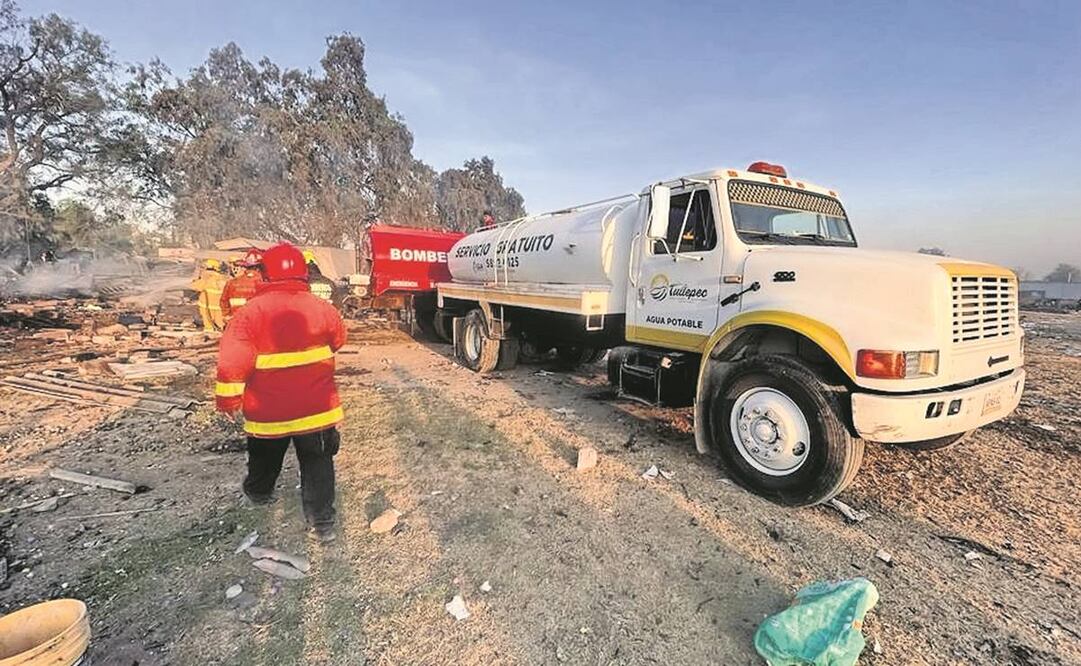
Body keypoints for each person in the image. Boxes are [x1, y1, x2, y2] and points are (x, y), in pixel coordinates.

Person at [214, 242, 347, 542]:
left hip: (268, 411)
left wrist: (229, 401)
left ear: (265, 273)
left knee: (264, 458)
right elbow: (339, 339)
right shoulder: (322, 307)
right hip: (317, 410)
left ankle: (259, 492)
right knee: (318, 465)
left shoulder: (249, 313)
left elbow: (232, 362)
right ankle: (321, 523)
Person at [220, 249, 264, 321]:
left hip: (236, 322)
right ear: (259, 267)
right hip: (256, 323)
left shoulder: (232, 283)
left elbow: (224, 301)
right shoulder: (264, 283)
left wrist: (228, 316)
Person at [191, 258, 228, 331]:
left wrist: (196, 278)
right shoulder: (223, 279)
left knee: (208, 328)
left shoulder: (207, 278)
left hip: (207, 309)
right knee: (220, 327)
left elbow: (195, 286)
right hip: (219, 309)